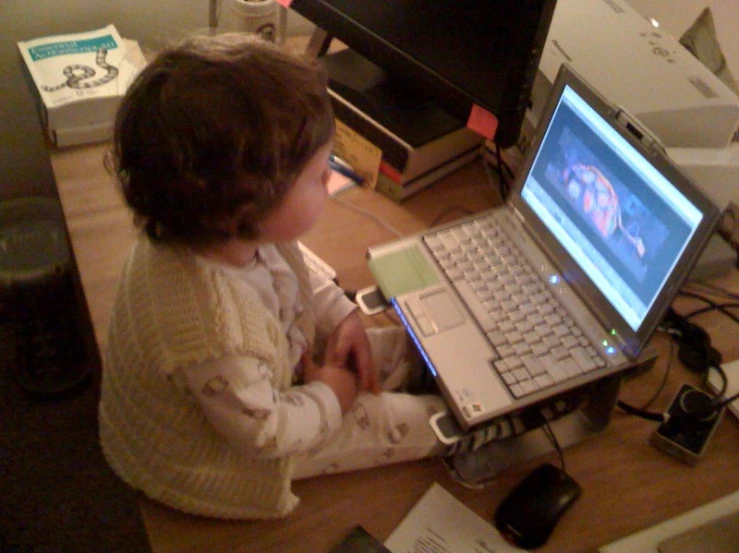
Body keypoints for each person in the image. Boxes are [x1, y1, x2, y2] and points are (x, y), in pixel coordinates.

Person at [98, 32, 454, 520]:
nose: (329, 180)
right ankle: (471, 423)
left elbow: (290, 261)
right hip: (220, 452)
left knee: (395, 347)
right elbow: (265, 433)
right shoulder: (211, 330)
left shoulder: (214, 225)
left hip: (247, 387)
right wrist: (332, 396)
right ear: (245, 207)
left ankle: (453, 374)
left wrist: (341, 314)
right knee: (390, 421)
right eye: (317, 174)